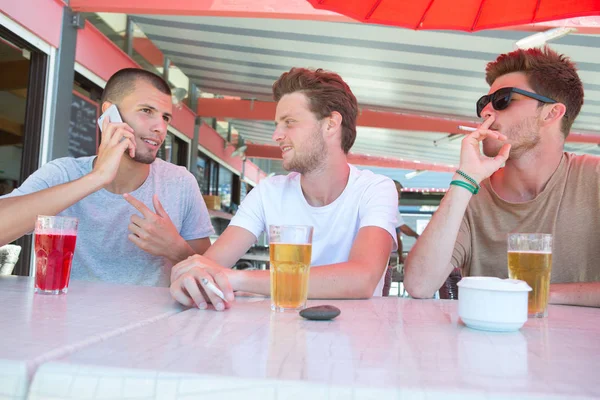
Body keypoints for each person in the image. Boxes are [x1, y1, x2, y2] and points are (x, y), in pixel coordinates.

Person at [169, 67, 398, 310]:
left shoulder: (375, 188)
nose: (276, 135)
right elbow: (209, 268)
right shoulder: (268, 192)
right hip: (281, 335)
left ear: (331, 124)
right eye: (277, 125)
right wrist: (191, 278)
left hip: (357, 341)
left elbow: (362, 279)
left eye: (289, 123)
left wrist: (237, 278)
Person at [404, 46, 600, 307]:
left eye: (503, 100)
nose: (486, 112)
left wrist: (536, 295)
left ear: (552, 113)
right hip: (489, 346)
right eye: (484, 103)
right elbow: (419, 284)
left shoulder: (594, 178)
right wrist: (465, 180)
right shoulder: (472, 194)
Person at [0, 68, 214, 287]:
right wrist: (96, 178)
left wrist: (175, 249)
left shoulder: (180, 182)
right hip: (65, 318)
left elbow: (212, 274)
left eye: (165, 117)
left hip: (154, 320)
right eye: (147, 110)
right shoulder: (62, 173)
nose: (160, 127)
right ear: (110, 113)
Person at [382, 180, 419, 296]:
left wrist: (400, 254)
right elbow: (402, 228)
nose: (400, 196)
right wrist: (417, 236)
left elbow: (397, 234)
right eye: (398, 192)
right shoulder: (388, 205)